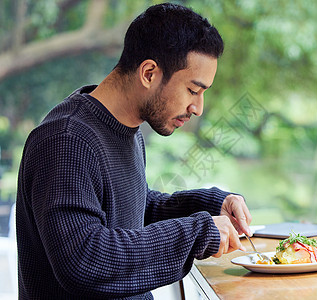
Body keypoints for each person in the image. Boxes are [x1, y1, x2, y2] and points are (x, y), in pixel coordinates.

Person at [15, 3, 252, 299]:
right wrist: (196, 233)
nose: (198, 108)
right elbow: (83, 259)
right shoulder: (66, 140)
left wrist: (210, 205)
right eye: (193, 90)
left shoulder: (124, 129)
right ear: (149, 73)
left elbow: (133, 210)